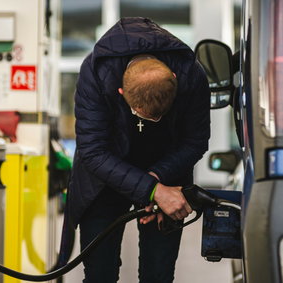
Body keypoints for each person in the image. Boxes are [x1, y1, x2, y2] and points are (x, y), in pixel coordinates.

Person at [66, 17, 211, 283]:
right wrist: (151, 190)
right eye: (140, 115)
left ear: (175, 81)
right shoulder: (96, 73)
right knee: (100, 274)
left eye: (158, 118)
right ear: (120, 92)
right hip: (104, 176)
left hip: (169, 174)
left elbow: (196, 140)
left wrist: (157, 183)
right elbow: (93, 151)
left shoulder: (192, 75)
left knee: (159, 274)